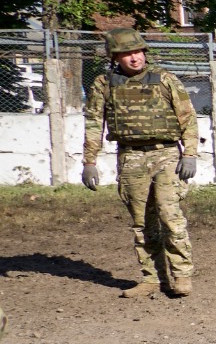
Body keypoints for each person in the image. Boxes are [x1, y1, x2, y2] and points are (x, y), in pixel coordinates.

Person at [82, 27, 199, 298]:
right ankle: (151, 279)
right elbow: (93, 123)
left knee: (170, 215)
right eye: (126, 54)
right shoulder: (104, 83)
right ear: (115, 57)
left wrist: (190, 154)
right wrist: (89, 161)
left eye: (137, 52)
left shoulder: (165, 79)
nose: (134, 59)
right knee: (141, 222)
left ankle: (181, 274)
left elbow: (187, 117)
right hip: (130, 156)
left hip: (166, 153)